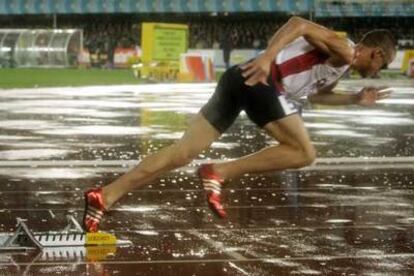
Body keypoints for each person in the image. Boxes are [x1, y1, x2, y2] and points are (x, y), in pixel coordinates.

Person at [83, 16, 396, 232]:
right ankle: (219, 172)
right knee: (304, 152)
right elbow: (298, 24)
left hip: (239, 79)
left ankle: (106, 195)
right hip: (262, 79)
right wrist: (267, 57)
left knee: (182, 152)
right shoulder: (346, 50)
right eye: (383, 64)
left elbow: (318, 97)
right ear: (377, 53)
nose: (378, 72)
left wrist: (355, 98)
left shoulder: (341, 66)